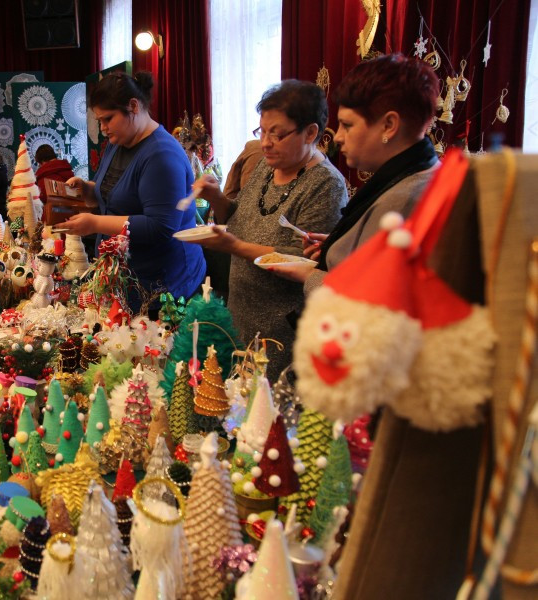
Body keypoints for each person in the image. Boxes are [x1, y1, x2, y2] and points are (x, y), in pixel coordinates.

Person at [189, 80, 347, 379]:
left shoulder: (326, 185)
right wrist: (216, 197)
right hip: (241, 313)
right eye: (262, 131)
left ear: (310, 133)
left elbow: (304, 260)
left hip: (282, 331)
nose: (265, 143)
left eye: (277, 134)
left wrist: (234, 247)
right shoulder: (267, 166)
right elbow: (239, 217)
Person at [268, 54, 441, 294]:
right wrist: (343, 245)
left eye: (347, 125)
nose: (338, 137)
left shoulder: (404, 200)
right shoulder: (410, 178)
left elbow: (366, 298)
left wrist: (309, 275)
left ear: (389, 126)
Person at [59, 71, 205, 307]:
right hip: (128, 279)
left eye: (108, 119)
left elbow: (160, 227)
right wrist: (89, 190)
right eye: (99, 121)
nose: (103, 128)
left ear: (133, 106)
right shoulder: (119, 142)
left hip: (163, 287)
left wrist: (95, 223)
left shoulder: (162, 155)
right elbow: (119, 196)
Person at [34, 143, 74, 211]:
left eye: (39, 164)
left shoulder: (42, 176)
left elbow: (41, 199)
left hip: (51, 214)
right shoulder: (67, 170)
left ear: (42, 161)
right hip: (72, 212)